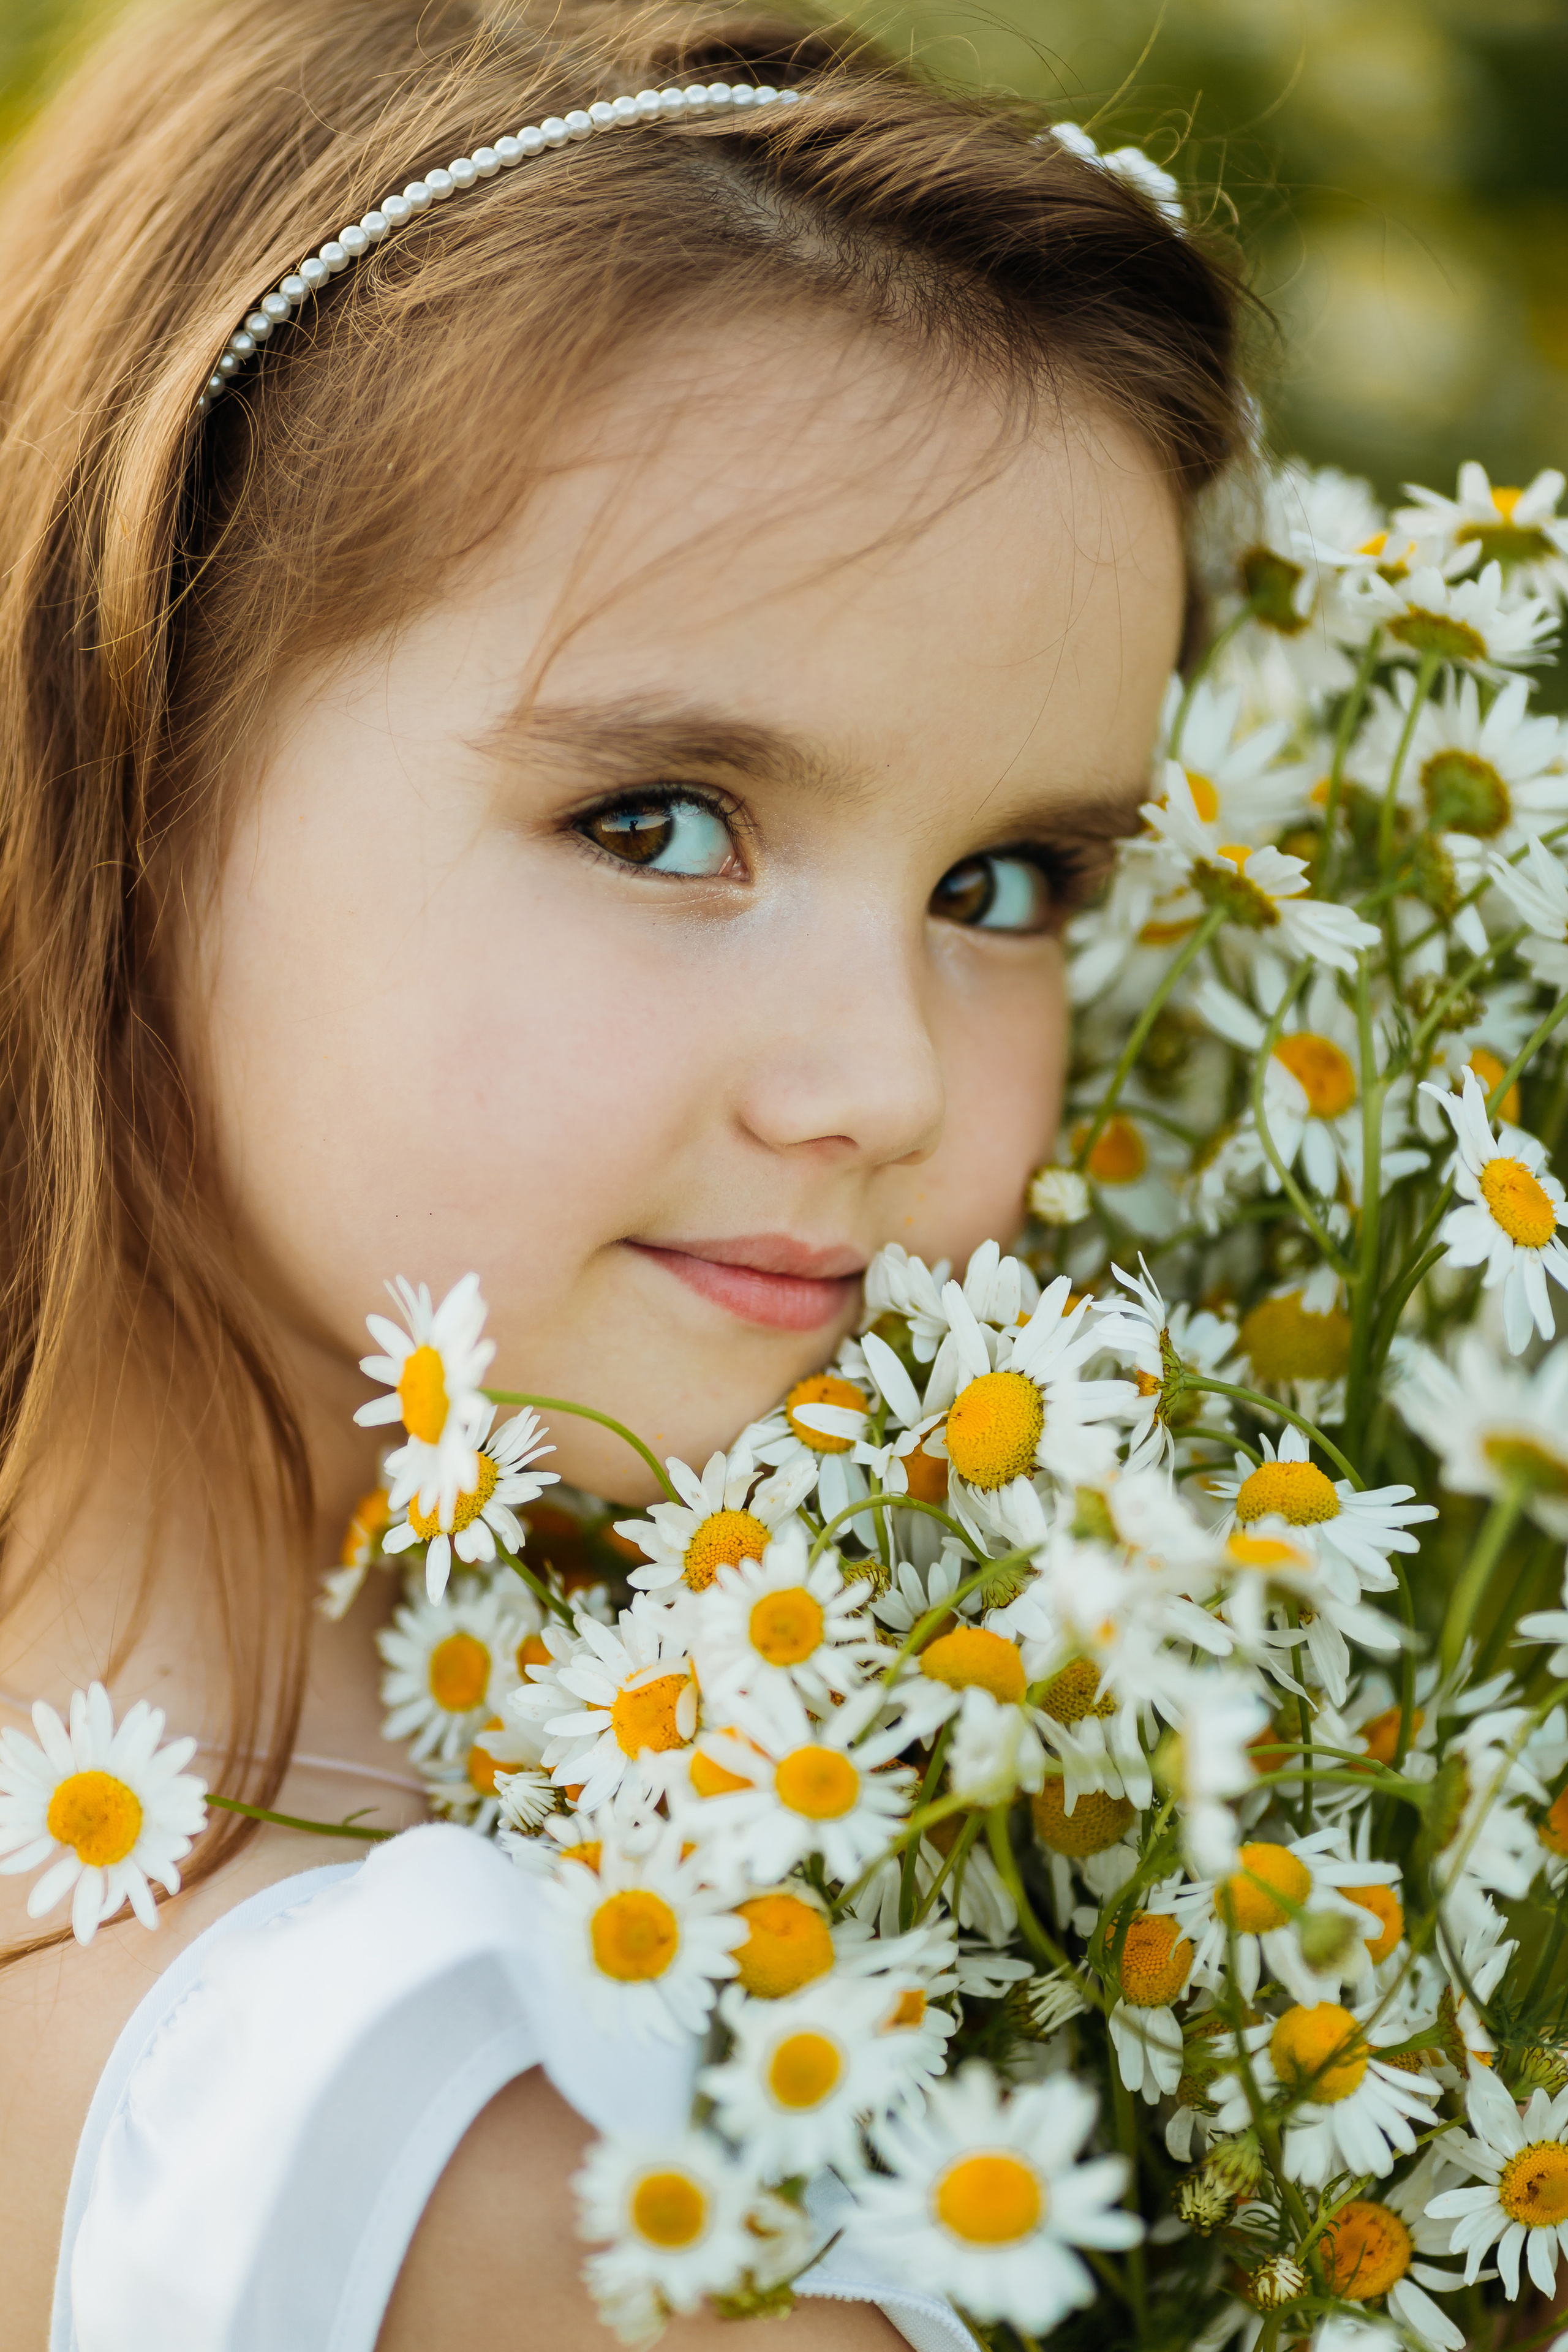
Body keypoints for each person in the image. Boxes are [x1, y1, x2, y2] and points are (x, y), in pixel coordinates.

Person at [0, 0, 1246, 2342]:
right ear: (128, 757)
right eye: (658, 824)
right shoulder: (517, 2165)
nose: (881, 1081)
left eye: (1011, 887)